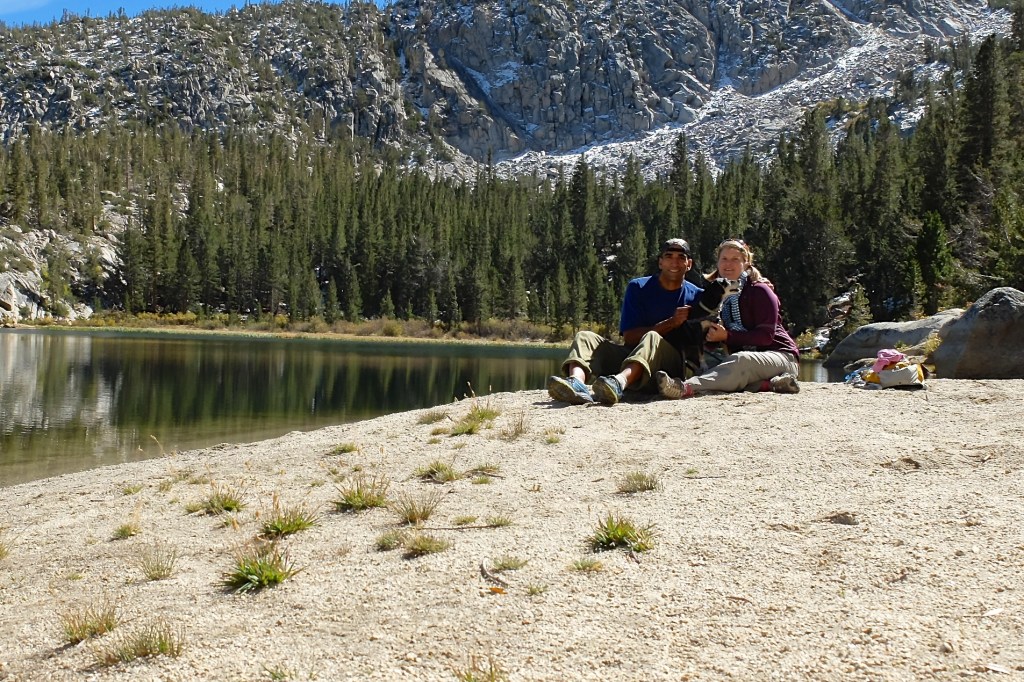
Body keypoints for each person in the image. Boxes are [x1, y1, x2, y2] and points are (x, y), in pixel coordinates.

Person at [547, 238, 726, 406]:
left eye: (681, 258)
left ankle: (619, 383)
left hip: (666, 369)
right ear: (660, 262)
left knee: (652, 337)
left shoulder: (697, 296)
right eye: (668, 256)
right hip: (632, 357)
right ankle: (576, 383)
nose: (674, 262)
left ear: (689, 264)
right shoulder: (639, 287)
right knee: (585, 337)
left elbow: (707, 341)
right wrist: (671, 322)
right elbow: (630, 338)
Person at [655, 238, 800, 398]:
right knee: (717, 362)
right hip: (748, 361)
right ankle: (772, 384)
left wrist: (727, 336)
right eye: (724, 259)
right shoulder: (716, 297)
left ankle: (684, 387)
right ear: (717, 263)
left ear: (746, 263)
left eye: (735, 259)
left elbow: (766, 338)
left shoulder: (760, 291)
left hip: (780, 356)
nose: (728, 264)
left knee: (740, 360)